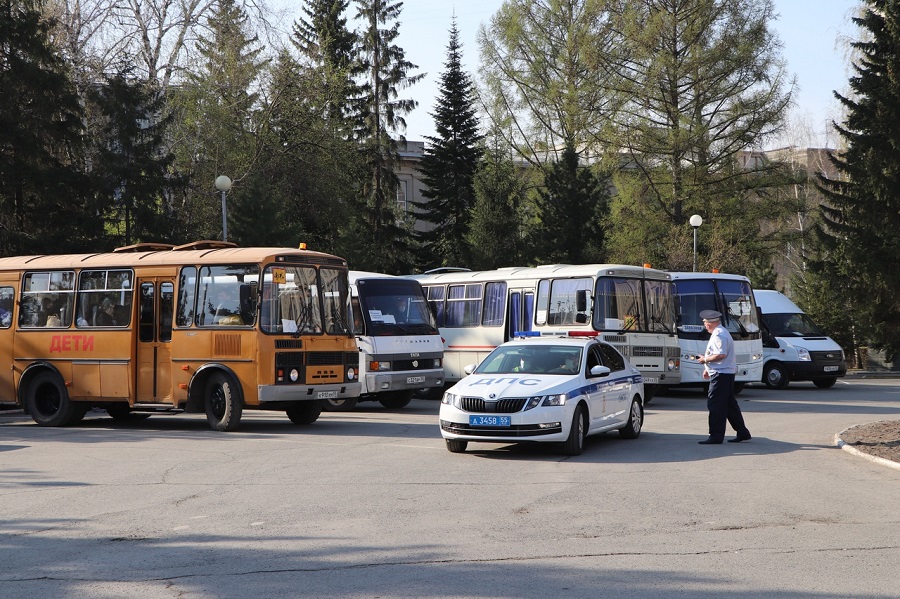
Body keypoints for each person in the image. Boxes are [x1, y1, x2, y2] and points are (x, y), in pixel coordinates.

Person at [696, 309, 751, 444]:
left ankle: (716, 435)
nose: (704, 325)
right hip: (723, 373)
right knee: (729, 405)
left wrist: (705, 360)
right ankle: (742, 432)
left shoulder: (719, 335)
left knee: (715, 405)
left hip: (721, 375)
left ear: (710, 323)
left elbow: (721, 355)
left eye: (705, 322)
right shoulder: (720, 332)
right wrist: (707, 368)